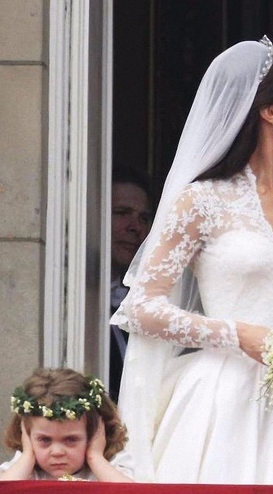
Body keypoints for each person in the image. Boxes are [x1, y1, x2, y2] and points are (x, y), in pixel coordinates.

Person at [110, 36, 273, 484]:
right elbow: (142, 307)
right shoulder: (201, 200)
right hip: (223, 398)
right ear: (269, 111)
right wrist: (237, 334)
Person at [0, 367, 134, 482]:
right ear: (26, 435)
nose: (57, 452)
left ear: (95, 434)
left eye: (70, 440)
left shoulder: (111, 466)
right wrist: (28, 456)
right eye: (44, 440)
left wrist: (95, 457)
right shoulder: (24, 470)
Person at [110, 165, 153, 402]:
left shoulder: (147, 302)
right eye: (122, 212)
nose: (135, 227)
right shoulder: (72, 297)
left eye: (143, 218)